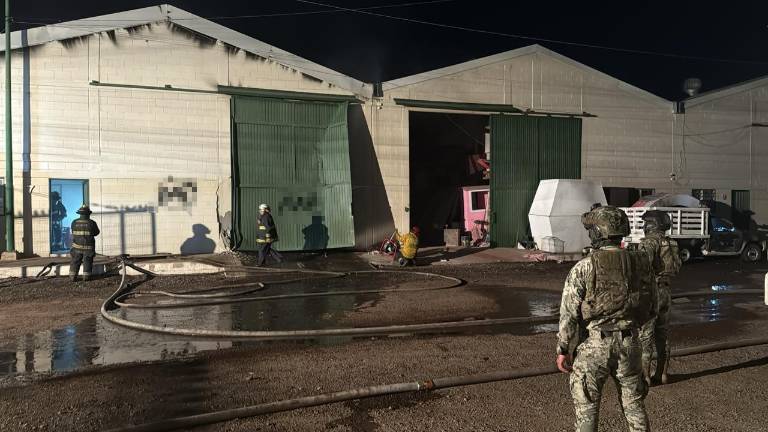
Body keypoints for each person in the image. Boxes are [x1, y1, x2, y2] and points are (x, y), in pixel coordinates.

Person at [556, 206, 656, 432]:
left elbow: (568, 313)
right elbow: (653, 306)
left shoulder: (584, 267)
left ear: (598, 233)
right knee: (634, 406)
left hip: (595, 345)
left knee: (587, 411)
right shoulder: (641, 264)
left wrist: (563, 349)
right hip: (631, 344)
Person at [638, 210, 682, 385]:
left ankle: (645, 376)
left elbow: (642, 267)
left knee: (645, 336)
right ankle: (662, 374)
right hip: (666, 290)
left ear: (652, 224)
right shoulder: (672, 243)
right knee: (662, 334)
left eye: (645, 222)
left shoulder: (649, 242)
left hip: (651, 291)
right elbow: (677, 266)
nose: (643, 226)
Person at [70, 205, 100, 282]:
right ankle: (86, 277)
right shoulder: (92, 223)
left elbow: (73, 232)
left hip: (76, 247)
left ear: (80, 214)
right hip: (88, 248)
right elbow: (97, 233)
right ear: (88, 214)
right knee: (88, 262)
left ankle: (72, 277)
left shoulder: (74, 222)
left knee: (75, 261)